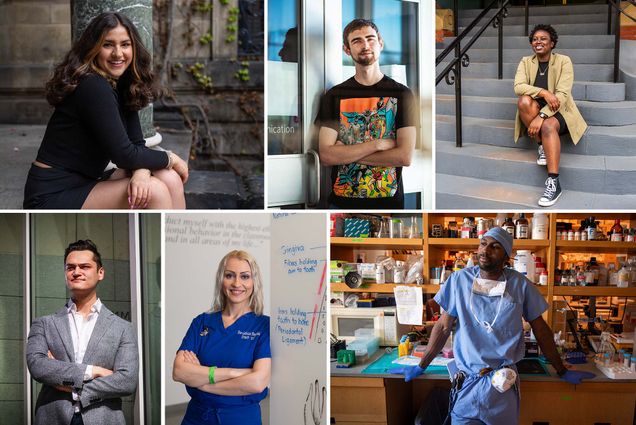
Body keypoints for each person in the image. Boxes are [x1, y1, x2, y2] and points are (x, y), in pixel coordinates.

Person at [395, 227, 594, 424]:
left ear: (507, 256)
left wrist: (561, 369)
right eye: (483, 244)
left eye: (495, 247)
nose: (486, 250)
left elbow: (540, 330)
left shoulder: (519, 285)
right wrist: (421, 365)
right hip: (467, 386)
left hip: (502, 387)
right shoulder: (459, 281)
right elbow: (443, 327)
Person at [23, 12, 189, 210]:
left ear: (134, 48)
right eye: (108, 44)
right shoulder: (93, 86)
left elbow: (136, 145)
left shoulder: (121, 84)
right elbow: (125, 155)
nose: (118, 54)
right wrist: (171, 158)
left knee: (169, 178)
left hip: (84, 181)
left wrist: (142, 172)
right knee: (154, 191)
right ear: (93, 49)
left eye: (125, 44)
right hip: (52, 193)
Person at [26, 240, 139, 425]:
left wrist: (67, 383)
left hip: (104, 418)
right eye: (70, 267)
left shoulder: (122, 328)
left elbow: (127, 381)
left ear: (100, 273)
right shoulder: (44, 324)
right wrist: (92, 371)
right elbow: (38, 366)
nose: (76, 272)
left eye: (84, 266)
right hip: (53, 418)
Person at [316, 19, 417, 209]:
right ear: (347, 49)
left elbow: (404, 157)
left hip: (389, 203)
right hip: (342, 203)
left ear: (380, 43)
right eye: (357, 41)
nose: (365, 45)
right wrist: (377, 144)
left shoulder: (403, 94)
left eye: (370, 39)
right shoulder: (334, 96)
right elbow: (327, 156)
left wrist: (346, 152)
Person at [172, 250, 271, 425]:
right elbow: (179, 371)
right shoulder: (202, 322)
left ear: (254, 282)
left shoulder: (264, 327)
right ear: (221, 279)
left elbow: (257, 382)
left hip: (241, 419)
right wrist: (233, 373)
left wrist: (202, 382)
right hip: (197, 417)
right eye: (230, 275)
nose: (237, 283)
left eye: (245, 276)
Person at [514, 24, 588, 207]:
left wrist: (541, 116)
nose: (538, 42)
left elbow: (562, 95)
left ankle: (554, 182)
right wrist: (544, 93)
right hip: (536, 107)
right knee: (523, 101)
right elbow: (518, 86)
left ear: (552, 43)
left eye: (543, 39)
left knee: (547, 126)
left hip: (560, 110)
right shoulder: (525, 61)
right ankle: (541, 145)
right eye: (535, 39)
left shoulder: (564, 61)